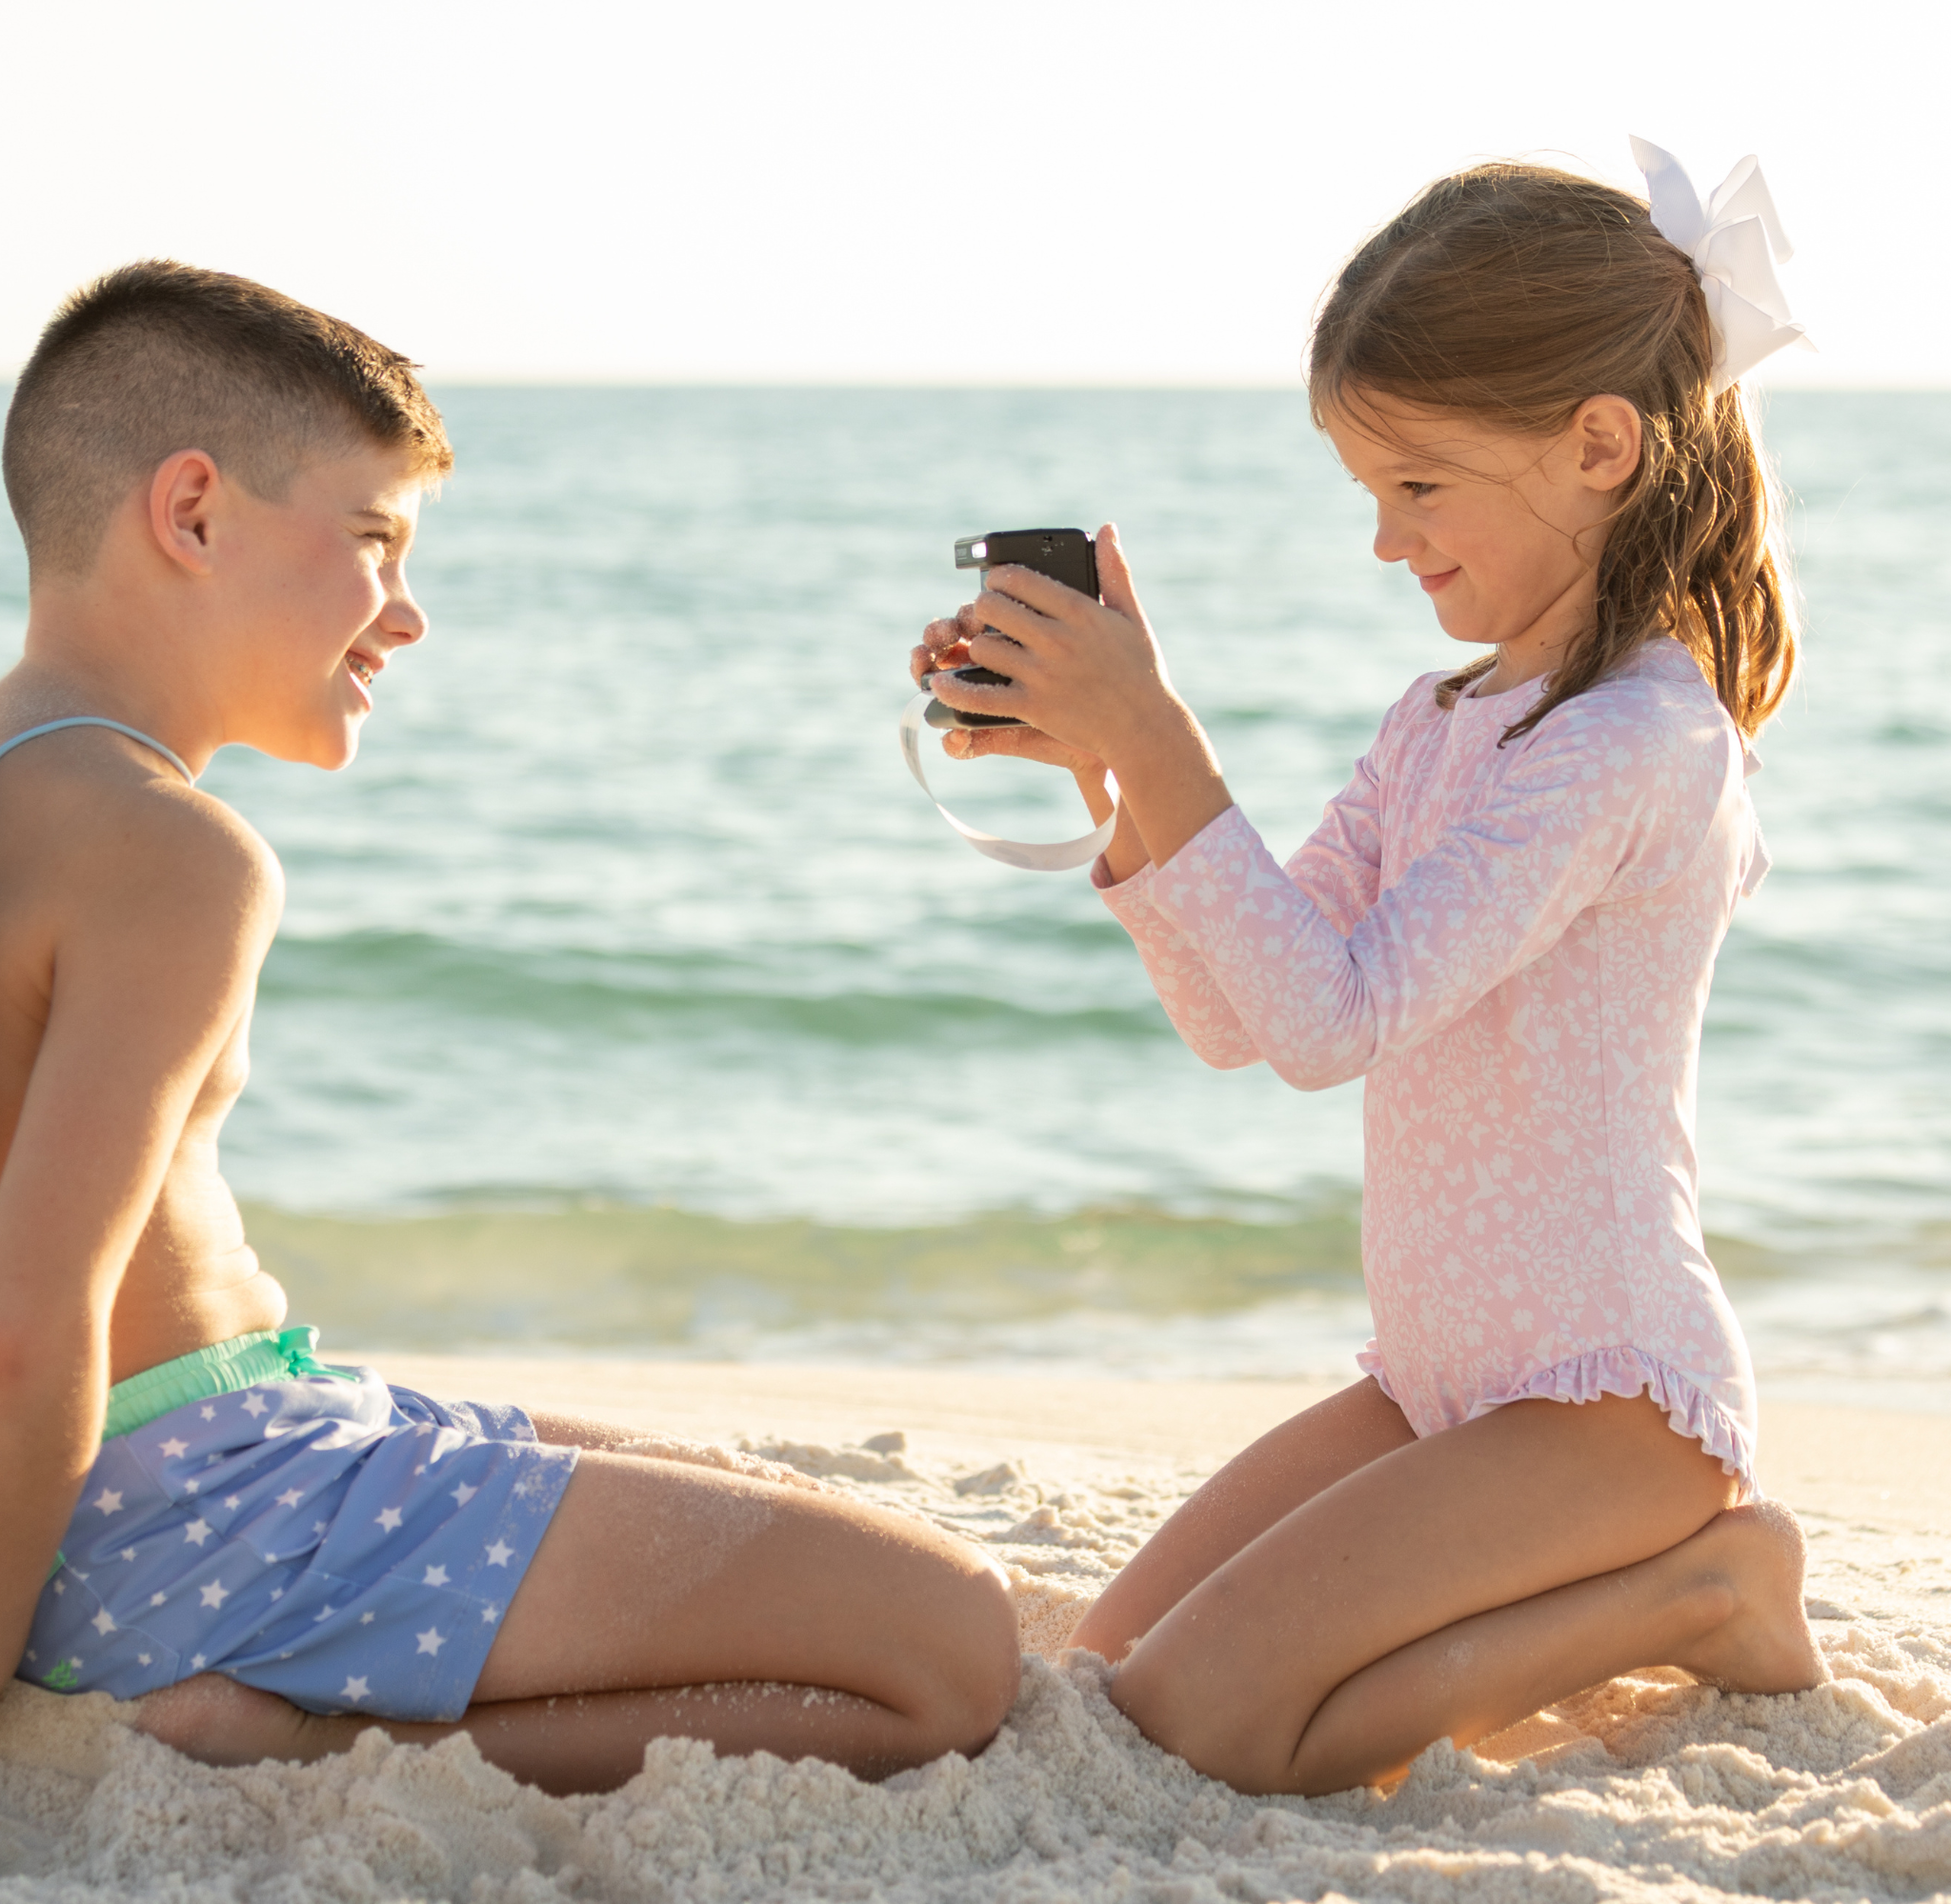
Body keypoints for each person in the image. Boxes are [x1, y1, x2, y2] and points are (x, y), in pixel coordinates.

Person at [0, 261, 1018, 1796]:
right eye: (373, 542)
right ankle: (312, 1738)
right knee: (952, 1647)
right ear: (192, 513)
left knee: (726, 1484)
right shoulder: (171, 853)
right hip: (182, 1512)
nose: (406, 614)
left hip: (217, 1447)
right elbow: (28, 1328)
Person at [911, 156, 1825, 1796]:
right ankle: (1672, 1582)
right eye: (1367, 493)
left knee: (1212, 1729)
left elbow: (1339, 1023)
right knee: (1107, 1675)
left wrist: (1161, 733)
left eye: (1419, 486)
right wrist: (1101, 772)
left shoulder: (1638, 743)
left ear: (1599, 447)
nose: (1387, 540)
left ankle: (1711, 1581)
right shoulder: (1439, 723)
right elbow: (1244, 1019)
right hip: (1435, 1388)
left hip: (1611, 1400)